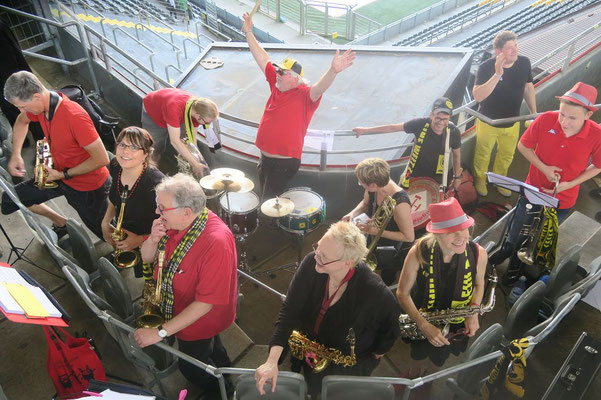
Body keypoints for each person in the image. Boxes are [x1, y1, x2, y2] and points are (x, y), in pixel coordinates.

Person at [255, 221, 401, 397]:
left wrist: (377, 352)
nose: (316, 255)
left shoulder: (375, 291)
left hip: (344, 362)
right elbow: (289, 312)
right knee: (309, 383)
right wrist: (272, 361)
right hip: (310, 345)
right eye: (317, 247)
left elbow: (392, 324)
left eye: (324, 256)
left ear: (347, 263)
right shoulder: (312, 263)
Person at [133, 173, 237, 395]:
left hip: (198, 321)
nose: (156, 213)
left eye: (161, 208)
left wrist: (159, 333)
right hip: (179, 308)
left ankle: (223, 391)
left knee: (191, 367)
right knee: (214, 348)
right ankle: (225, 368)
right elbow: (147, 258)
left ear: (187, 212)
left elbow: (204, 304)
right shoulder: (174, 221)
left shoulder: (216, 243)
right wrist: (152, 239)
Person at [492, 82, 601, 284]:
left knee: (539, 237)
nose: (564, 122)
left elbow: (598, 166)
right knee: (517, 228)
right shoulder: (545, 119)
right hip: (532, 189)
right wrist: (544, 169)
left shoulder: (597, 134)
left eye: (572, 118)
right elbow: (523, 146)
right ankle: (507, 251)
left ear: (588, 115)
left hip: (563, 199)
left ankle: (518, 267)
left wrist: (570, 184)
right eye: (562, 114)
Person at [241, 11, 356, 200]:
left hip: (283, 163)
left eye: (283, 72)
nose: (277, 73)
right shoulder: (277, 85)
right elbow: (263, 58)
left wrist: (333, 71)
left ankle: (271, 227)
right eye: (278, 70)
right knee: (268, 196)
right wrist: (248, 32)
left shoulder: (305, 95)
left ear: (296, 79)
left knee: (269, 201)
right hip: (266, 158)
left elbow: (320, 88)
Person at [1, 71, 110, 239]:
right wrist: (16, 154)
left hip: (88, 187)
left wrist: (62, 174)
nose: (21, 111)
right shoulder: (41, 107)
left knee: (102, 231)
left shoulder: (74, 116)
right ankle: (62, 222)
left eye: (22, 106)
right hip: (57, 173)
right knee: (11, 199)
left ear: (37, 97)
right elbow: (22, 121)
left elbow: (102, 159)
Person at [396, 197, 487, 378]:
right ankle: (413, 375)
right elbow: (402, 293)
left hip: (455, 323)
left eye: (464, 229)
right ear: (436, 234)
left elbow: (479, 284)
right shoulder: (418, 252)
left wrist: (474, 311)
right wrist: (423, 325)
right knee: (418, 353)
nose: (461, 237)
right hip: (422, 315)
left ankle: (427, 380)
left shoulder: (478, 253)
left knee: (439, 357)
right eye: (451, 233)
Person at [472, 30, 537, 197]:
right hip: (488, 122)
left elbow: (528, 87)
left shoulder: (524, 62)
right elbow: (478, 96)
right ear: (498, 52)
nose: (515, 50)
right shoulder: (486, 67)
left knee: (507, 155)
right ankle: (480, 179)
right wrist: (497, 74)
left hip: (513, 121)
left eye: (516, 45)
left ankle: (500, 180)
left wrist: (533, 113)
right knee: (483, 155)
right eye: (510, 48)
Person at [354, 97, 463, 192]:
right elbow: (393, 127)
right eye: (438, 118)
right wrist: (365, 130)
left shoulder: (453, 132)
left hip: (437, 178)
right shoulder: (420, 124)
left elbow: (456, 155)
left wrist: (457, 177)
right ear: (431, 115)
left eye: (445, 119)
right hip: (412, 175)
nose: (441, 122)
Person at [101, 127, 164, 278]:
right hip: (127, 233)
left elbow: (172, 225)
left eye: (134, 147)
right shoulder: (116, 166)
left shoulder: (157, 184)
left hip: (153, 242)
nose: (125, 151)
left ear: (146, 154)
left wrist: (140, 239)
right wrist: (106, 221)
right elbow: (114, 196)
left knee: (150, 275)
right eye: (122, 145)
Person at [342, 158, 414, 285]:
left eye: (361, 183)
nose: (360, 184)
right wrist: (352, 214)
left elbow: (408, 237)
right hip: (373, 233)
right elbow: (365, 203)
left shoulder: (401, 204)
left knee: (387, 273)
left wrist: (376, 231)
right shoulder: (375, 186)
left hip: (390, 246)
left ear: (373, 185)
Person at [141, 88, 219, 176]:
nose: (207, 125)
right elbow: (174, 141)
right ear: (198, 115)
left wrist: (197, 160)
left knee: (184, 142)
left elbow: (192, 141)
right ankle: (151, 173)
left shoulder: (195, 110)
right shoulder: (175, 107)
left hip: (174, 111)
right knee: (155, 149)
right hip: (154, 112)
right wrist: (195, 164)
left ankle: (183, 166)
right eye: (207, 122)